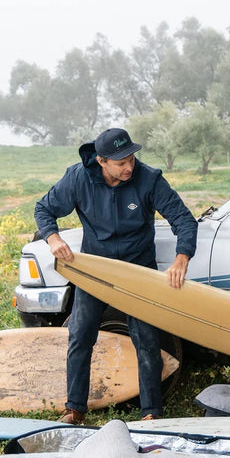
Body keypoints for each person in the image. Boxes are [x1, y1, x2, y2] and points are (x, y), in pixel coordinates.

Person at [34, 128, 198, 425]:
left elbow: (184, 220)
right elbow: (44, 209)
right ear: (101, 161)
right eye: (121, 162)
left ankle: (151, 412)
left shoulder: (149, 179)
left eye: (131, 158)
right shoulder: (77, 178)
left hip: (138, 270)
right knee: (80, 335)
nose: (129, 166)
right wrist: (52, 238)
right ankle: (75, 409)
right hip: (96, 270)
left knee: (147, 340)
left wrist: (181, 258)